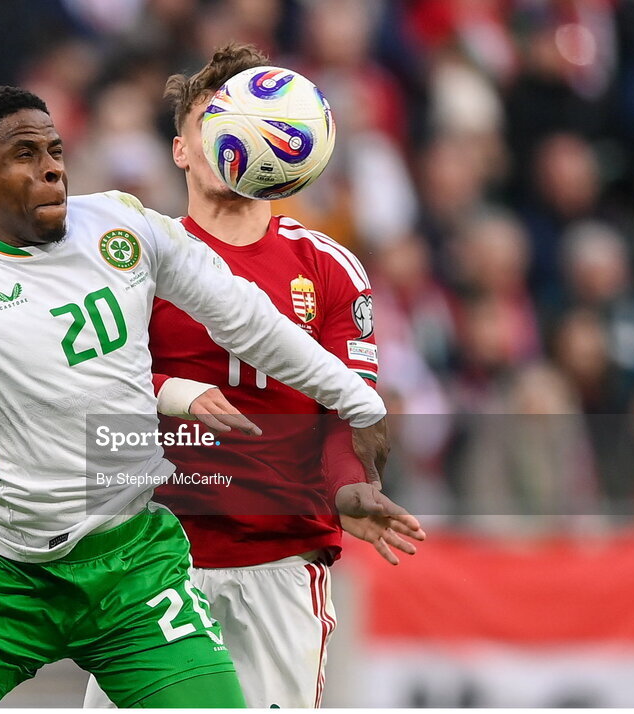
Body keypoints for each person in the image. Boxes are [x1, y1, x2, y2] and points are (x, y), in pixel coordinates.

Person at [0, 85, 390, 708]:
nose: (52, 168)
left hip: (132, 573)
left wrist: (358, 401)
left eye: (55, 151)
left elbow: (248, 320)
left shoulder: (121, 224)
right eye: (25, 154)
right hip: (3, 579)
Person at [85, 44, 425, 709]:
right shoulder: (135, 263)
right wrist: (173, 395)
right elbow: (92, 393)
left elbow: (349, 409)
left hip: (279, 563)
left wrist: (349, 488)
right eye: (213, 118)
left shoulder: (328, 267)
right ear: (181, 150)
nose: (232, 133)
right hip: (155, 560)